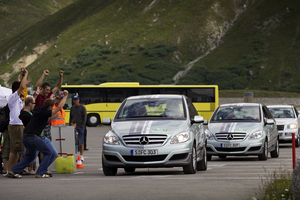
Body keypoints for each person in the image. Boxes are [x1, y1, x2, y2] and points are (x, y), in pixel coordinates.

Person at [8, 90, 69, 178]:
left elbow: (49, 103)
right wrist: (65, 96)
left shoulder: (39, 109)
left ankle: (13, 171)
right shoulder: (45, 112)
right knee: (48, 152)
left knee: (30, 156)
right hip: (33, 137)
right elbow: (59, 107)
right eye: (52, 107)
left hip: (25, 137)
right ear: (49, 107)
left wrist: (57, 98)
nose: (52, 109)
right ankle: (40, 173)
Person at [6, 67, 30, 174]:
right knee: (14, 150)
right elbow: (21, 86)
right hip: (15, 125)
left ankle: (13, 170)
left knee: (17, 149)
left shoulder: (18, 99)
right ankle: (12, 170)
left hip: (19, 125)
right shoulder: (13, 97)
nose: (23, 89)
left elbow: (21, 86)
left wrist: (23, 77)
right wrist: (26, 74)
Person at [35, 69, 63, 140]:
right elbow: (37, 86)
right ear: (42, 89)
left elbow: (58, 87)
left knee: (47, 142)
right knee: (39, 142)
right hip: (39, 122)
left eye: (49, 90)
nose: (48, 91)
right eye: (46, 90)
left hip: (47, 123)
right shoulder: (38, 95)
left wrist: (61, 76)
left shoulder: (49, 94)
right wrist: (43, 75)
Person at [18, 96, 39, 175]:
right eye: (34, 103)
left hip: (32, 134)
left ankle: (31, 169)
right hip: (28, 134)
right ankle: (21, 168)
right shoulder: (24, 114)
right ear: (30, 104)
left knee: (31, 152)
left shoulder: (31, 112)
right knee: (25, 153)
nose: (35, 105)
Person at [69, 95, 87, 161]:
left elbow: (85, 117)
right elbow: (70, 117)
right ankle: (74, 154)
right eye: (74, 100)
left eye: (76, 99)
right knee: (73, 142)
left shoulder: (82, 108)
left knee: (81, 142)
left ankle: (81, 155)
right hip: (73, 127)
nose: (75, 101)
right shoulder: (72, 108)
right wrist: (70, 125)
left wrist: (82, 125)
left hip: (80, 127)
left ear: (79, 100)